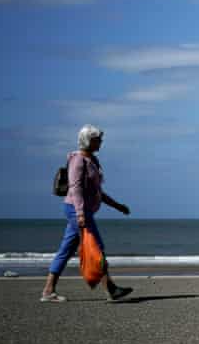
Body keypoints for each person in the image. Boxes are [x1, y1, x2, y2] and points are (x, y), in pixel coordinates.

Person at [40, 125, 133, 302]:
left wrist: (118, 206)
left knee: (66, 250)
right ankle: (111, 289)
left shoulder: (93, 161)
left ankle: (48, 291)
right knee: (97, 248)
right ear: (88, 141)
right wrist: (81, 214)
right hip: (77, 210)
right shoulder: (78, 161)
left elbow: (97, 192)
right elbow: (75, 189)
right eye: (98, 139)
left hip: (81, 210)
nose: (101, 142)